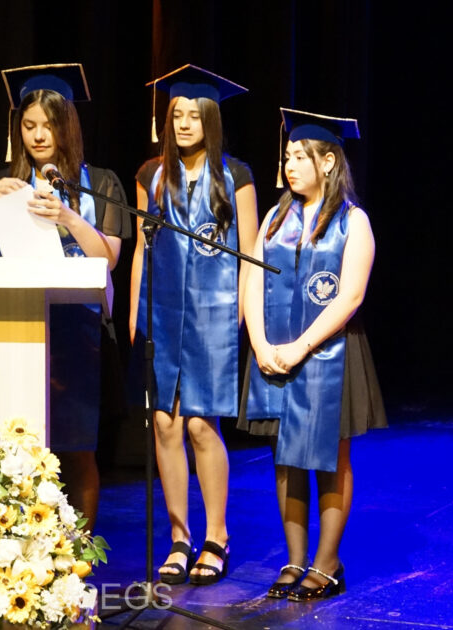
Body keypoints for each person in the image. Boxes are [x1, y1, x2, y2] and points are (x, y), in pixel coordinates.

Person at [0, 63, 129, 529]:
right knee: (16, 446)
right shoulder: (3, 181)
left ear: (67, 127)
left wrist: (69, 217)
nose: (37, 136)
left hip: (79, 333)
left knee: (76, 448)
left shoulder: (99, 183)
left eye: (48, 126)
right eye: (29, 125)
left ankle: (78, 553)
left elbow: (108, 258)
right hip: (14, 328)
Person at [240, 108, 387, 601]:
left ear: (328, 162)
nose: (289, 165)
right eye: (287, 157)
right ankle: (294, 558)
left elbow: (350, 296)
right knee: (285, 457)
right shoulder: (275, 218)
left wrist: (301, 347)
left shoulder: (353, 222)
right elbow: (253, 281)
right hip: (273, 354)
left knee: (329, 457)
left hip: (331, 354)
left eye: (300, 157)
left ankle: (327, 563)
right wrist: (261, 343)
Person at [128, 65, 259, 586]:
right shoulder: (151, 175)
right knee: (165, 423)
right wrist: (135, 315)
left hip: (214, 316)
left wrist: (242, 317)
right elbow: (142, 248)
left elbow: (250, 255)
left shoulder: (235, 176)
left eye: (194, 115)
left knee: (203, 425)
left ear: (211, 120)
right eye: (176, 114)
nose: (183, 123)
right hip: (160, 313)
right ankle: (180, 537)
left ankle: (217, 535)